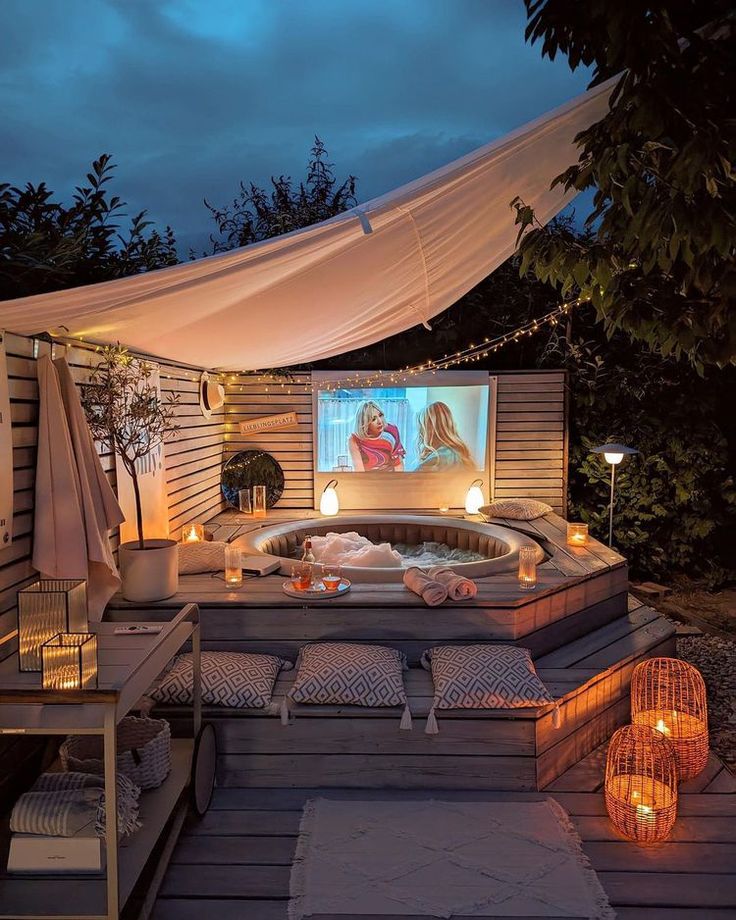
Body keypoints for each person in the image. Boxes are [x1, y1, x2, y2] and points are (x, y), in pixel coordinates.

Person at [414, 401, 475, 471]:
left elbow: (409, 481)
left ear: (430, 429)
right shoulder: (457, 454)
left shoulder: (441, 458)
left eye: (421, 428)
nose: (420, 434)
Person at [348, 400, 405, 471]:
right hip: (368, 480)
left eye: (380, 415)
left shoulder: (391, 432)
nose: (379, 421)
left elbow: (398, 465)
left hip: (390, 479)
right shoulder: (354, 439)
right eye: (373, 419)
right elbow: (359, 470)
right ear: (364, 422)